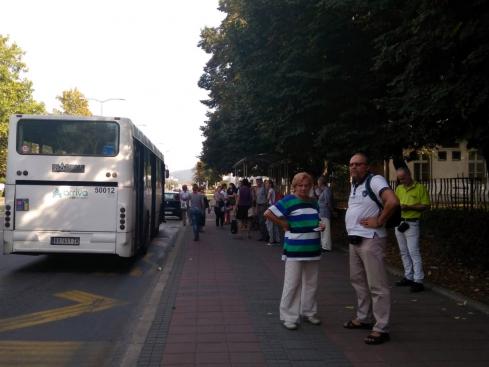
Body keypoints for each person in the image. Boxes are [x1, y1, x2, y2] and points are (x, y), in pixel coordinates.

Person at [344, 152, 399, 345]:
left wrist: (379, 221)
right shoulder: (354, 185)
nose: (354, 167)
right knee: (357, 280)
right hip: (355, 240)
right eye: (351, 164)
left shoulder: (375, 180)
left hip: (371, 239)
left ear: (367, 166)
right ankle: (363, 317)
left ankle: (381, 328)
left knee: (377, 285)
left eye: (358, 164)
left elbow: (392, 201)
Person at [264, 172, 325, 330]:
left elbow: (315, 219)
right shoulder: (288, 201)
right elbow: (268, 213)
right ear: (294, 186)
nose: (303, 188)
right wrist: (283, 224)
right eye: (300, 185)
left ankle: (308, 312)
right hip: (294, 248)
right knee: (292, 283)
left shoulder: (313, 202)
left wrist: (321, 225)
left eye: (306, 185)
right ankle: (288, 316)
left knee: (311, 283)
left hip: (313, 248)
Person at [394, 167, 431, 292]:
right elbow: (395, 204)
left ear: (409, 175)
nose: (402, 181)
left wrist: (409, 207)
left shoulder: (420, 188)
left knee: (414, 252)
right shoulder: (399, 188)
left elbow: (425, 205)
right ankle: (408, 276)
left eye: (403, 178)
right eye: (400, 179)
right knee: (403, 252)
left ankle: (418, 280)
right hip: (399, 223)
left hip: (412, 223)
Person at [317, 176, 334, 252]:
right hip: (321, 213)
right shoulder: (323, 190)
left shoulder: (327, 190)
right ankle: (323, 245)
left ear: (321, 182)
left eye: (318, 181)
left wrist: (331, 211)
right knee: (322, 230)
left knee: (326, 230)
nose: (317, 183)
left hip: (325, 212)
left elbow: (328, 202)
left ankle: (326, 246)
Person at [265, 179, 280, 245]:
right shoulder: (274, 190)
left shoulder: (270, 190)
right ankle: (277, 239)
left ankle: (271, 240)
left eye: (267, 183)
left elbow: (268, 199)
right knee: (275, 224)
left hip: (271, 208)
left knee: (269, 224)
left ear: (270, 184)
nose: (266, 185)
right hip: (275, 208)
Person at [255, 177, 269, 241]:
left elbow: (267, 197)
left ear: (261, 181)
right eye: (256, 181)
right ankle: (262, 236)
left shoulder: (264, 188)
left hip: (263, 205)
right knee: (260, 222)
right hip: (258, 205)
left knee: (262, 221)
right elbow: (257, 198)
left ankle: (266, 236)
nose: (257, 182)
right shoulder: (257, 188)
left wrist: (266, 205)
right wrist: (256, 207)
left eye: (258, 181)